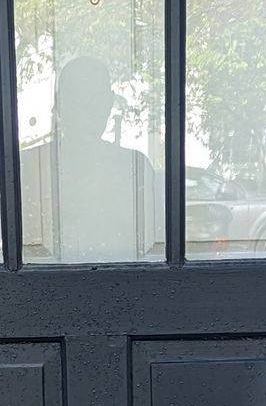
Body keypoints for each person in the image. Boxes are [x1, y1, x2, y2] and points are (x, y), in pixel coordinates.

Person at [21, 56, 163, 263]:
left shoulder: (135, 168)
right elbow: (28, 247)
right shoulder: (31, 167)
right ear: (59, 104)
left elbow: (153, 249)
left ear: (109, 103)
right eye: (76, 101)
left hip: (124, 286)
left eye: (94, 102)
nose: (85, 114)